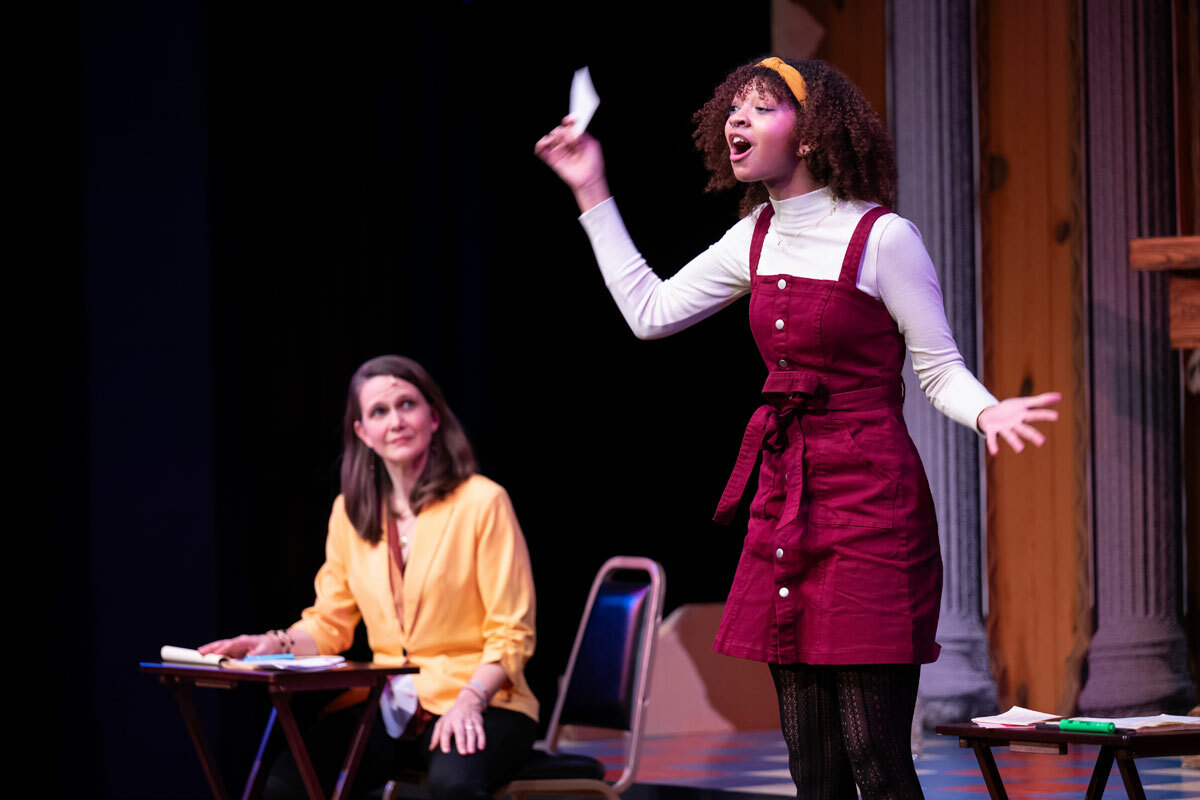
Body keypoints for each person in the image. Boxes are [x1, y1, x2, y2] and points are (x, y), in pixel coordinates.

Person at [536, 57, 1059, 800]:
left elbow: (937, 368)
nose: (736, 121)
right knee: (812, 765)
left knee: (874, 755)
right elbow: (649, 313)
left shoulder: (884, 237)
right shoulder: (752, 236)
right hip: (786, 499)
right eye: (733, 109)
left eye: (761, 108)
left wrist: (988, 409)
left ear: (812, 134)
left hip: (872, 505)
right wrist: (590, 186)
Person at [200, 355, 538, 800]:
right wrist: (273, 644)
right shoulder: (350, 512)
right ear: (362, 432)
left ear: (433, 418)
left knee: (454, 785)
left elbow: (511, 632)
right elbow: (330, 623)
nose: (396, 420)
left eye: (407, 405)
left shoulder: (483, 501)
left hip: (482, 695)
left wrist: (469, 701)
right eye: (380, 411)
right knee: (287, 783)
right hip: (388, 702)